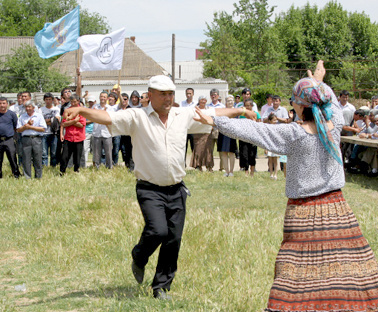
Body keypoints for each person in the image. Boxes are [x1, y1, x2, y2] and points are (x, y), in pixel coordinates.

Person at [194, 61, 378, 312]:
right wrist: (317, 80)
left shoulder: (294, 133)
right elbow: (324, 99)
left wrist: (217, 121)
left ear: (299, 106)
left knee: (304, 274)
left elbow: (254, 130)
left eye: (294, 101)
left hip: (302, 211)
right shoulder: (335, 126)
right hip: (336, 208)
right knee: (331, 275)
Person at [64, 75, 250, 300]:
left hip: (177, 188)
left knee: (173, 239)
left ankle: (161, 287)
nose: (168, 98)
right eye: (163, 94)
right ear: (150, 95)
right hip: (149, 188)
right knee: (158, 230)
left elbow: (214, 114)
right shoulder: (136, 116)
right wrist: (82, 111)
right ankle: (139, 256)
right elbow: (107, 117)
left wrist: (240, 112)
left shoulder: (182, 115)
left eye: (171, 94)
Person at [16, 101, 46, 179]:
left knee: (38, 158)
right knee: (26, 158)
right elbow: (18, 129)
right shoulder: (22, 117)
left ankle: (38, 176)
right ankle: (27, 176)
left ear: (33, 108)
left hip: (36, 138)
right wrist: (26, 126)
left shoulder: (39, 116)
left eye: (29, 107)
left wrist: (30, 127)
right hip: (26, 139)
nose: (28, 108)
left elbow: (43, 128)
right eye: (26, 107)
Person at [0, 97, 20, 179]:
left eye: (4, 103)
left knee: (12, 158)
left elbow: (16, 127)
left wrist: (14, 138)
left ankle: (16, 174)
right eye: (0, 103)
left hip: (9, 139)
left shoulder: (12, 114)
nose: (2, 105)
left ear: (7, 104)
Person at [60, 95, 85, 175]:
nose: (73, 103)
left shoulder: (82, 111)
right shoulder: (67, 110)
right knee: (64, 157)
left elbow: (81, 124)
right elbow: (64, 123)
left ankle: (76, 172)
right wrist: (74, 121)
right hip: (68, 137)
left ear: (78, 101)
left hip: (79, 137)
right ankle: (62, 172)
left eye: (75, 101)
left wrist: (70, 120)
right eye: (71, 102)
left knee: (77, 158)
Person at [92, 92, 113, 169]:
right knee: (97, 153)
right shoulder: (95, 107)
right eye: (101, 96)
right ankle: (97, 168)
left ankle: (109, 167)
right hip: (97, 133)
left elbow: (109, 119)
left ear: (107, 98)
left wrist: (101, 114)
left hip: (107, 133)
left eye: (104, 97)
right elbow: (92, 117)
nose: (102, 98)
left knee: (108, 152)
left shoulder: (110, 108)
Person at [238, 99, 259, 176]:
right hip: (244, 137)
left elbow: (259, 125)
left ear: (252, 106)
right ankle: (246, 171)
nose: (247, 107)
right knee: (244, 154)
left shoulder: (256, 114)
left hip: (253, 137)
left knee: (252, 154)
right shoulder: (242, 115)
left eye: (248, 105)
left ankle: (252, 172)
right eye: (245, 105)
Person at [217, 95, 237, 177]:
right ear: (225, 102)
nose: (230, 102)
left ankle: (231, 171)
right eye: (228, 100)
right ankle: (226, 171)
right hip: (223, 132)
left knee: (231, 152)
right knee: (224, 152)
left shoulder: (236, 110)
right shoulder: (222, 110)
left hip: (232, 132)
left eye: (232, 100)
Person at [40, 92, 60, 167]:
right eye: (46, 99)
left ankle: (53, 167)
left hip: (53, 133)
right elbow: (40, 121)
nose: (48, 101)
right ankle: (44, 167)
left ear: (52, 100)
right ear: (44, 100)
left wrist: (47, 121)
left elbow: (57, 121)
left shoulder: (56, 109)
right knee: (44, 153)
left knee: (54, 153)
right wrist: (51, 120)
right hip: (44, 134)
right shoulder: (41, 109)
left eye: (49, 99)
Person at [265, 114, 280, 180]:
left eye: (276, 120)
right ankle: (271, 173)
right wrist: (265, 148)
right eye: (274, 120)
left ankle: (275, 174)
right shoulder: (267, 128)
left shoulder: (277, 128)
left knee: (275, 160)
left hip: (275, 145)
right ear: (270, 121)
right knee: (270, 160)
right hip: (269, 145)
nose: (275, 121)